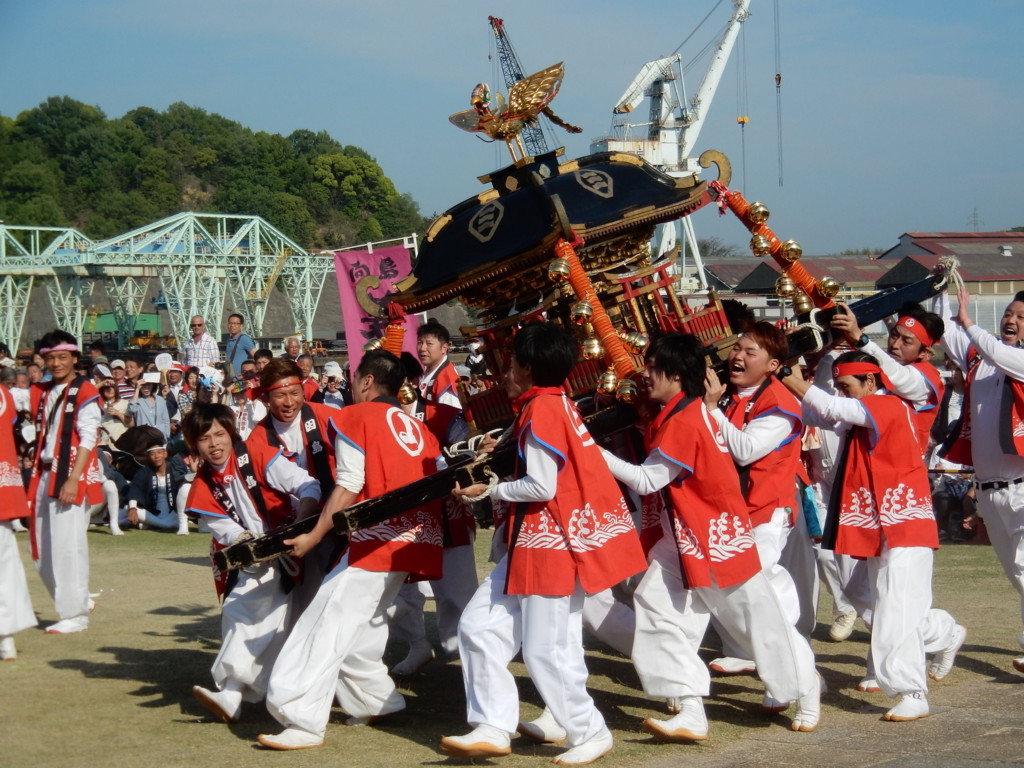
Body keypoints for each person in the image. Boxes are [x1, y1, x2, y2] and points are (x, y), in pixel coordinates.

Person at [596, 332, 820, 742]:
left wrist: (591, 453)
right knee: (657, 605)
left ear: (677, 374)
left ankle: (806, 692)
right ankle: (689, 705)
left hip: (716, 535)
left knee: (756, 618)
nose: (645, 374)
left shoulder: (687, 417)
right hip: (685, 534)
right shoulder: (687, 410)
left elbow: (648, 480)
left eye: (651, 366)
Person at [441, 322, 647, 765]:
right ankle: (494, 726)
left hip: (549, 544)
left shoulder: (541, 409)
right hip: (536, 543)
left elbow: (541, 486)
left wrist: (490, 490)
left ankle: (589, 729)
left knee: (544, 649)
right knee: (479, 628)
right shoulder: (554, 404)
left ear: (527, 367)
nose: (506, 370)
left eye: (512, 362)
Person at [259, 350, 444, 751]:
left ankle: (301, 717)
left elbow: (347, 483)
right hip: (416, 539)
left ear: (365, 382)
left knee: (323, 624)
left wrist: (313, 536)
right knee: (361, 629)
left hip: (376, 542)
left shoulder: (355, 416)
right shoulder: (418, 427)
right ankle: (379, 700)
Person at [782, 350, 965, 721]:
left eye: (848, 386)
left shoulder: (888, 406)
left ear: (871, 381)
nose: (843, 394)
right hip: (872, 523)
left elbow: (832, 409)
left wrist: (789, 377)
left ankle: (911, 691)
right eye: (840, 388)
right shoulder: (859, 414)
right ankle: (945, 632)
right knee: (867, 597)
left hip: (904, 522)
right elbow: (816, 411)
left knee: (895, 607)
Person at [183, 403, 321, 725]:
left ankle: (244, 694)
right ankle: (236, 694)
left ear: (231, 432)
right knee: (247, 613)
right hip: (257, 559)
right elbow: (225, 529)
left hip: (299, 546)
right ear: (194, 445)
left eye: (219, 434)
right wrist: (249, 542)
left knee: (294, 623)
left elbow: (308, 485)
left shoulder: (257, 454)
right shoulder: (202, 485)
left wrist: (299, 525)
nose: (214, 444)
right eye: (204, 438)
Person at [701, 322, 813, 683]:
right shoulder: (734, 397)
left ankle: (792, 664)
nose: (738, 356)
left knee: (758, 580)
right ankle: (749, 652)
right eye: (737, 348)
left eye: (751, 352)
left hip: (767, 509)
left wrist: (712, 409)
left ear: (772, 365)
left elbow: (746, 451)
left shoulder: (779, 402)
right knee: (729, 582)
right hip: (734, 511)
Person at [938, 286, 1024, 674]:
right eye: (1009, 313)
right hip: (989, 490)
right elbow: (943, 327)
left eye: (1021, 317)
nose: (1011, 320)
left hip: (1022, 487)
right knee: (1015, 573)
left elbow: (995, 351)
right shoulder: (979, 359)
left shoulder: (1014, 359)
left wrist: (970, 319)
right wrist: (941, 289)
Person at [27, 330, 104, 634]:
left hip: (69, 473)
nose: (56, 363)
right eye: (50, 358)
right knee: (41, 550)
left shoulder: (84, 390)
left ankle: (74, 615)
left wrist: (74, 478)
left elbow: (89, 436)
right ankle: (78, 600)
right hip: (43, 473)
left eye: (62, 357)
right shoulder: (43, 390)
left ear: (74, 358)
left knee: (67, 546)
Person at [0, 380, 36, 660]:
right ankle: (6, 637)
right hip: (4, 485)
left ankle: (6, 637)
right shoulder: (3, 393)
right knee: (4, 563)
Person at [122, 444, 189, 534]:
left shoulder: (174, 468)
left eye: (159, 452)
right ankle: (166, 525)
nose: (156, 456)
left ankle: (153, 524)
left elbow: (184, 481)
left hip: (173, 512)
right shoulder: (144, 471)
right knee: (128, 507)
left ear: (165, 454)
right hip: (152, 513)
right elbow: (135, 488)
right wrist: (133, 509)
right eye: (152, 454)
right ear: (148, 456)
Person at [97, 381, 132, 446]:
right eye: (107, 387)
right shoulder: (99, 405)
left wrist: (118, 413)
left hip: (121, 443)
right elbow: (89, 391)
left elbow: (131, 424)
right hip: (104, 443)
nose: (110, 390)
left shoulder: (125, 403)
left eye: (112, 387)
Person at [224, 313, 255, 377]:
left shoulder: (244, 339)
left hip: (241, 380)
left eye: (236, 324)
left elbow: (256, 356)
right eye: (230, 323)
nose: (232, 325)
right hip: (231, 378)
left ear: (241, 326)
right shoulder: (228, 340)